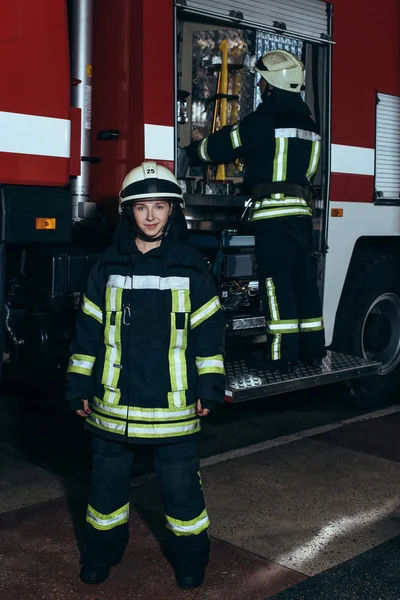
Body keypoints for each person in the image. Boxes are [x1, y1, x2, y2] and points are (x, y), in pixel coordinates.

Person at [65, 162, 226, 589]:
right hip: (112, 407)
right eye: (141, 208)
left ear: (173, 211)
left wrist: (210, 388)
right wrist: (78, 385)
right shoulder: (106, 267)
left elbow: (209, 337)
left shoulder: (193, 268)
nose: (151, 216)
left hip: (173, 409)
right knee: (105, 493)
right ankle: (100, 555)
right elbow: (87, 335)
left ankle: (192, 561)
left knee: (181, 493)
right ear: (128, 213)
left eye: (160, 206)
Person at [179, 49, 326, 373]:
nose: (258, 85)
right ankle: (313, 350)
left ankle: (281, 354)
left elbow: (226, 144)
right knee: (303, 281)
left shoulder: (265, 120)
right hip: (301, 213)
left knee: (277, 282)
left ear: (272, 85)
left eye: (262, 80)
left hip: (273, 215)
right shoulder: (310, 124)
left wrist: (190, 151)